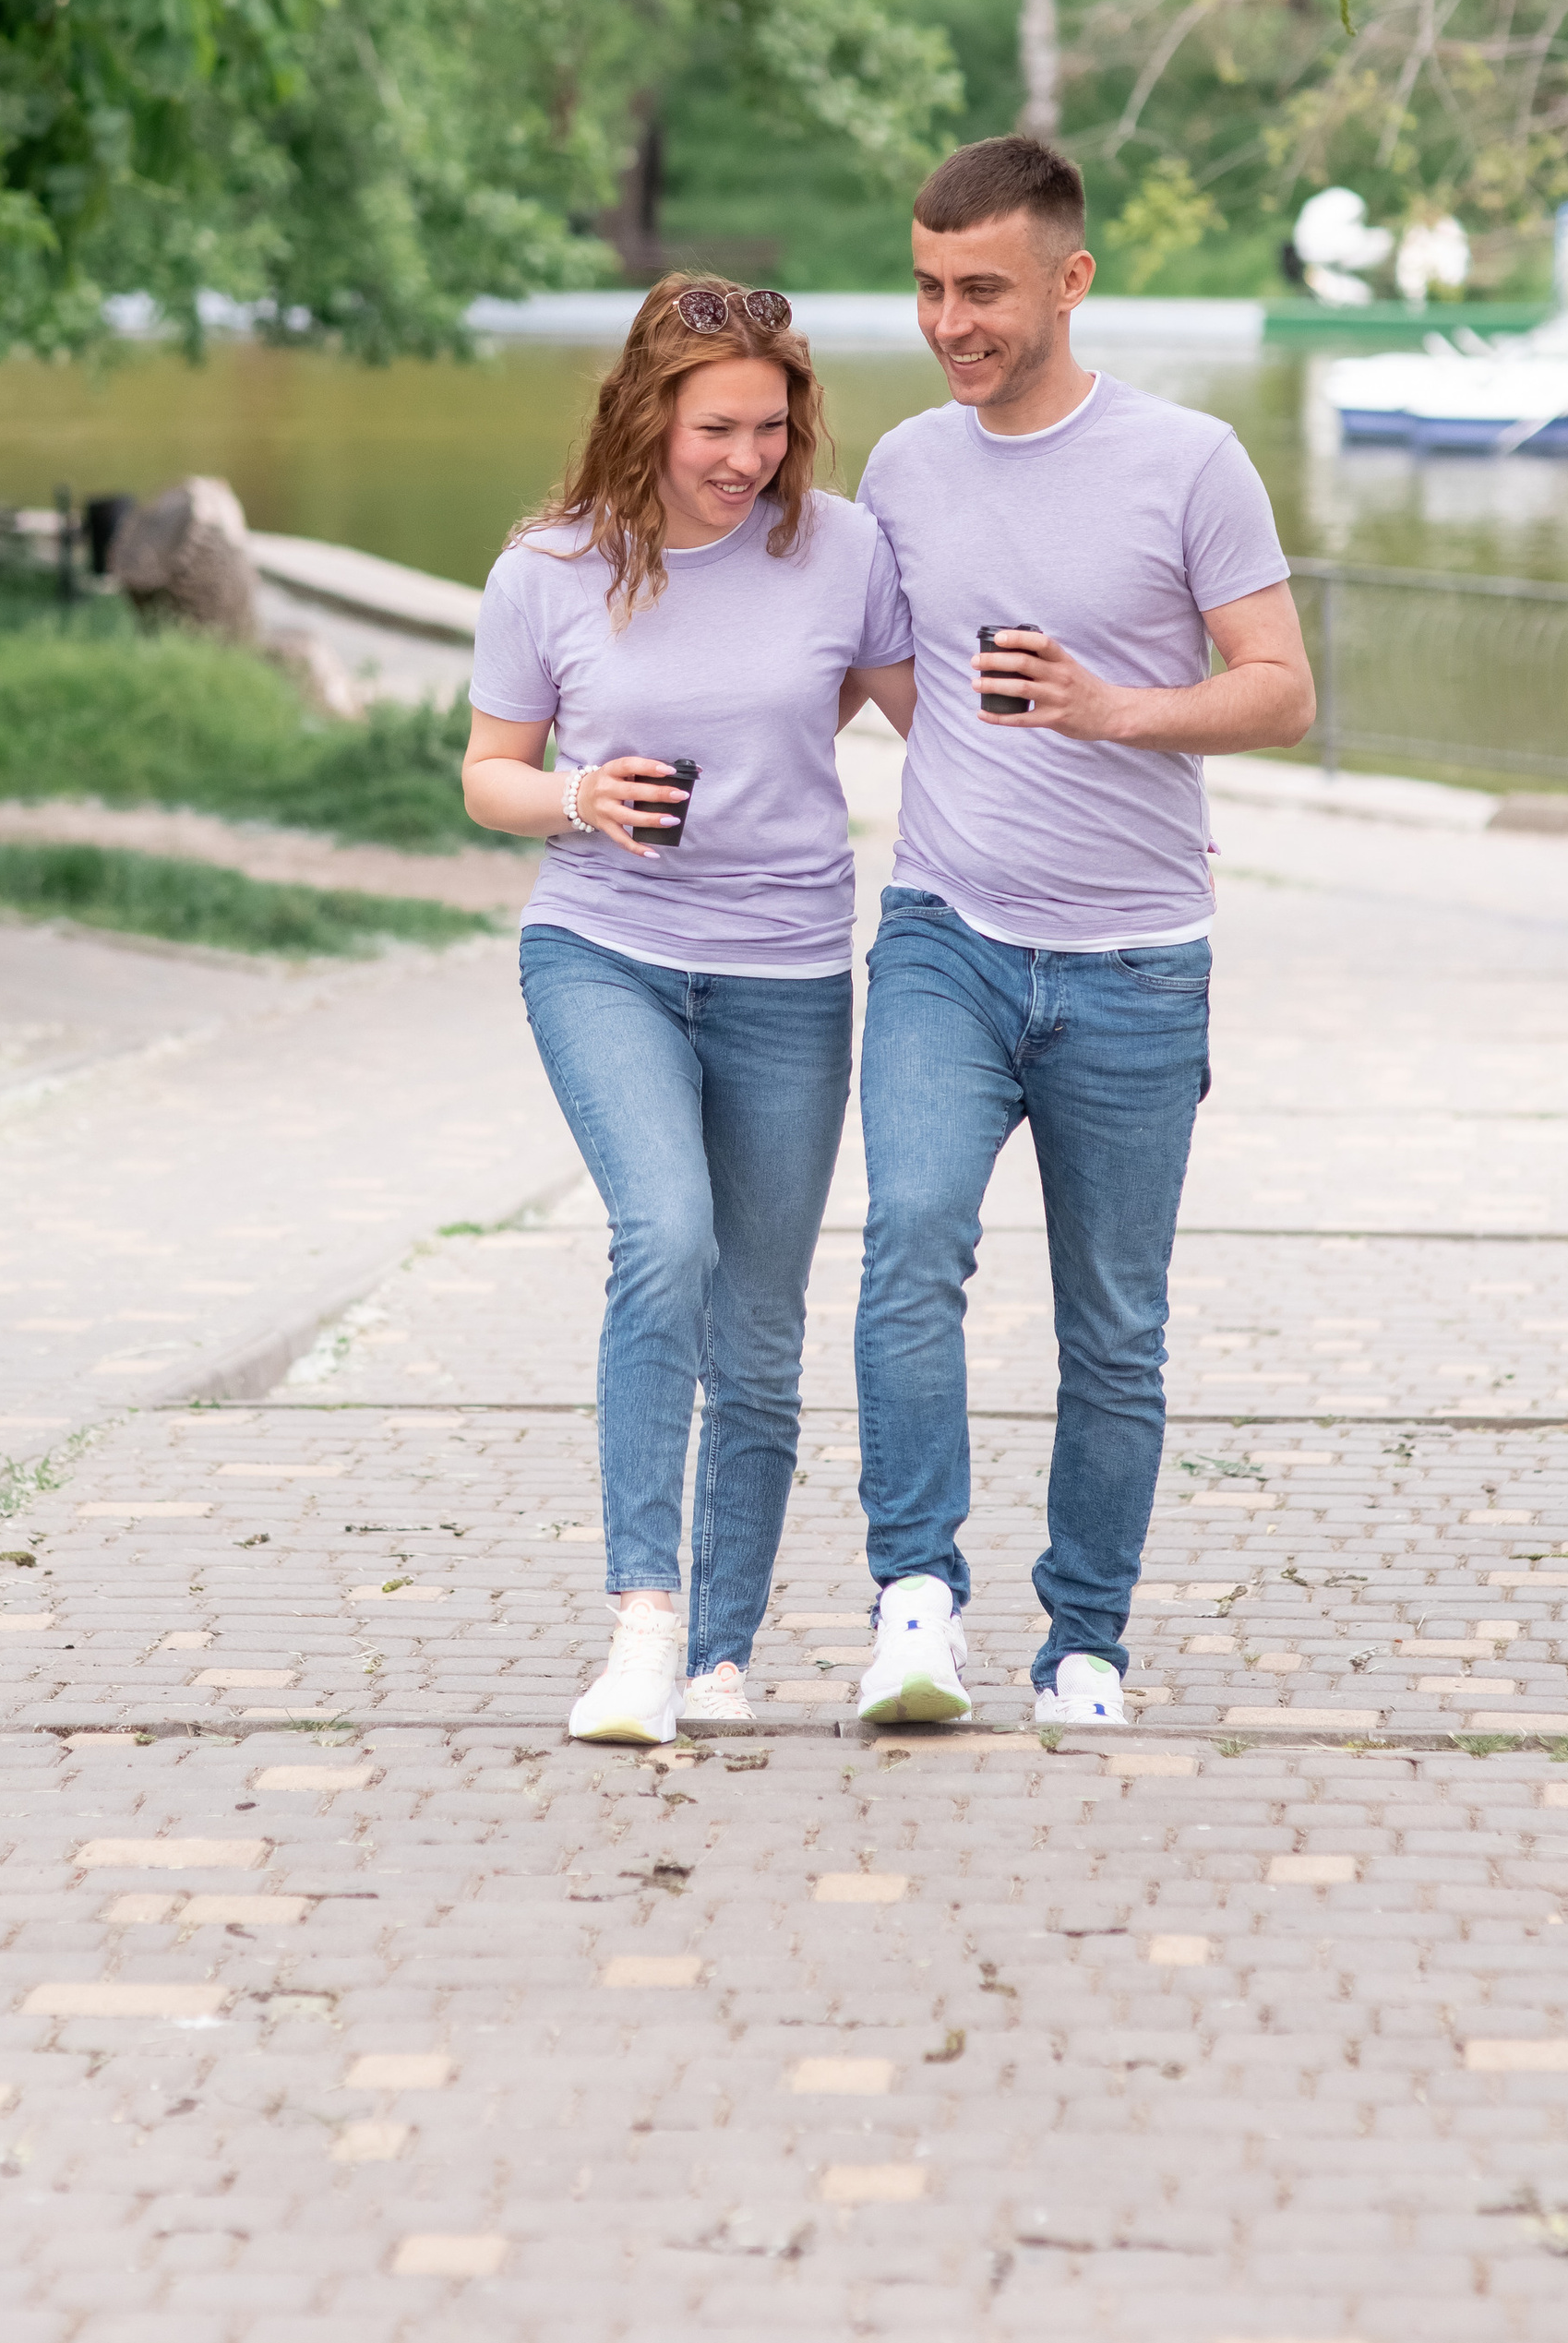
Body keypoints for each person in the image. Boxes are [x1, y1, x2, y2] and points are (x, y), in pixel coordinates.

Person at [849, 135, 1315, 1731]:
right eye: (928, 287)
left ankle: (1086, 1648)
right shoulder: (904, 467)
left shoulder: (1190, 462)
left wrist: (1112, 710)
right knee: (911, 1239)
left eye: (981, 289)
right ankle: (915, 1603)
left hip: (1135, 964)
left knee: (1113, 1328)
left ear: (1071, 280)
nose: (949, 321)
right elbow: (888, 676)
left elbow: (1281, 691)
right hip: (945, 938)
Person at [463, 277, 914, 1745]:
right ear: (646, 414)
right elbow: (489, 775)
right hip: (604, 948)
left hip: (788, 969)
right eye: (718, 428)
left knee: (763, 1329)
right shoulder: (548, 568)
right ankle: (643, 1628)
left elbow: (925, 719)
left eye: (771, 428)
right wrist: (578, 796)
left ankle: (722, 1652)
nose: (748, 457)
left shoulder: (840, 550)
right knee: (663, 1235)